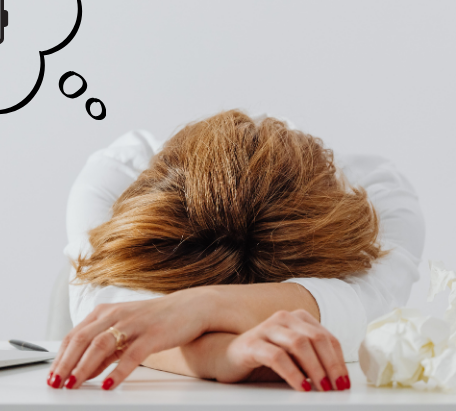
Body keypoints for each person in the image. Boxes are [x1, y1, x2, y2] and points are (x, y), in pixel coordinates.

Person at [48, 110, 424, 392]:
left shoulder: (380, 195)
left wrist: (200, 306)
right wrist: (221, 354)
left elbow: (370, 310)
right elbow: (114, 315)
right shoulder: (118, 171)